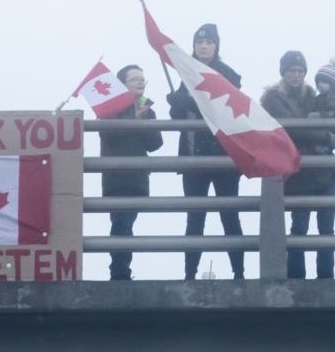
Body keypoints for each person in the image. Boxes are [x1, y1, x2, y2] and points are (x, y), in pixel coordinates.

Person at [167, 23, 245, 280]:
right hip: (193, 156)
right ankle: (189, 274)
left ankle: (239, 272)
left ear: (216, 45)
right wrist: (176, 105)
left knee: (229, 216)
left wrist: (186, 101)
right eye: (200, 42)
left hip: (224, 156)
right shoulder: (186, 73)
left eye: (209, 42)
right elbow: (180, 117)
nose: (203, 46)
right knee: (195, 218)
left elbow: (220, 106)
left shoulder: (228, 75)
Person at [261, 51, 335, 280]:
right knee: (299, 227)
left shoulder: (314, 96)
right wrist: (325, 137)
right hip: (297, 170)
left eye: (301, 71)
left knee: (327, 229)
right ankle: (296, 277)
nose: (296, 75)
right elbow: (292, 129)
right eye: (292, 70)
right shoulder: (274, 99)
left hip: (322, 169)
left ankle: (326, 277)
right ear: (284, 72)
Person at [295, 59, 335, 280]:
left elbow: (333, 122)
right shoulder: (316, 101)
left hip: (313, 169)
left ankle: (308, 275)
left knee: (311, 228)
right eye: (319, 81)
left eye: (325, 82)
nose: (321, 85)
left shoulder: (334, 101)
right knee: (315, 228)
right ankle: (322, 276)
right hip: (317, 169)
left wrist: (315, 122)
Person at [98, 64, 159, 281]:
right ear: (122, 85)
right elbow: (109, 136)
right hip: (116, 177)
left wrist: (145, 120)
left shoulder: (146, 108)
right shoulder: (109, 108)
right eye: (134, 79)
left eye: (142, 79)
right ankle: (120, 272)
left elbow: (155, 144)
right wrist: (136, 120)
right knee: (121, 224)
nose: (140, 82)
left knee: (126, 224)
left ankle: (121, 270)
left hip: (137, 177)